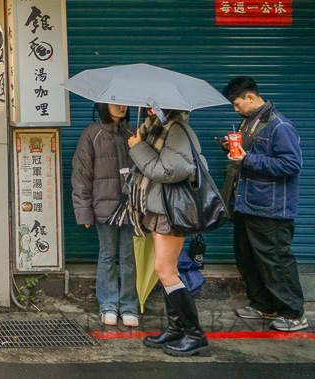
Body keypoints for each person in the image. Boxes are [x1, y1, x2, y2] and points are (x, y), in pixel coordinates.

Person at [221, 77, 307, 332]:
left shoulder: (279, 125)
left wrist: (248, 159)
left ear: (250, 97)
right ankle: (262, 305)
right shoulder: (249, 123)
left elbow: (292, 165)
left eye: (237, 104)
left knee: (276, 261)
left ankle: (293, 313)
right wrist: (232, 147)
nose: (236, 110)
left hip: (271, 210)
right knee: (247, 257)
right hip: (246, 205)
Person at [129, 108, 210, 357]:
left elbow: (170, 170)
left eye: (154, 106)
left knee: (165, 270)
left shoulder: (177, 131)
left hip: (172, 210)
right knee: (165, 271)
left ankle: (194, 335)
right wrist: (143, 142)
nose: (149, 109)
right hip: (161, 207)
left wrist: (138, 148)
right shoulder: (161, 129)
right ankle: (176, 328)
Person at [71, 102, 139, 327]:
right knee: (108, 255)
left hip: (131, 206)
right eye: (114, 102)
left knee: (129, 257)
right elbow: (81, 175)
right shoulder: (92, 134)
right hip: (104, 208)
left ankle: (129, 305)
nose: (121, 106)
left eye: (124, 102)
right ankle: (108, 305)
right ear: (102, 106)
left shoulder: (134, 133)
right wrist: (84, 212)